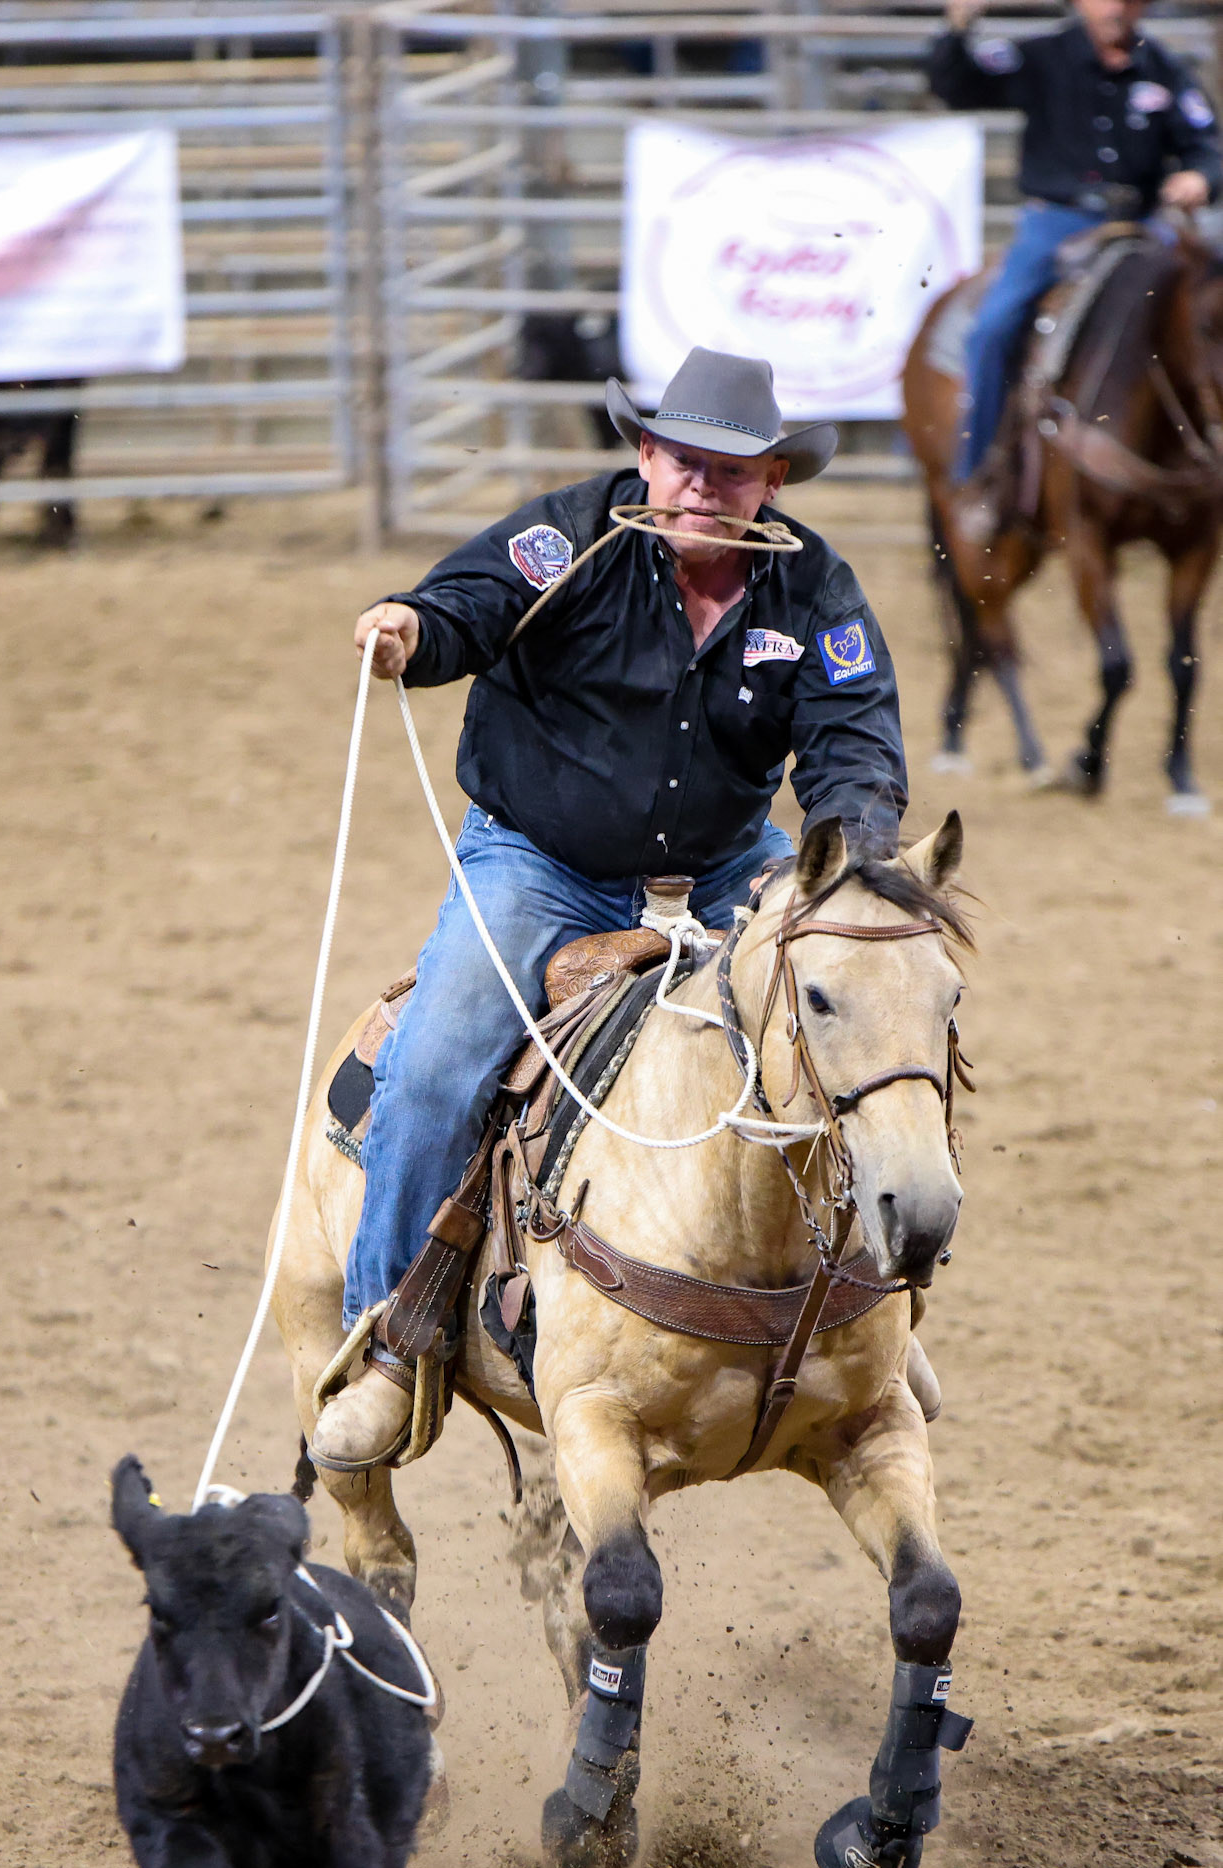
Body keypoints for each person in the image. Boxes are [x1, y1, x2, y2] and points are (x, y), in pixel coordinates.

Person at [313, 347, 909, 1473]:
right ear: (644, 456)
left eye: (731, 471)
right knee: (436, 1064)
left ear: (773, 479)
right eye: (683, 461)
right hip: (541, 861)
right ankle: (390, 1340)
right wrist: (411, 629)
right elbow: (470, 604)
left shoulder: (814, 589)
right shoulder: (570, 539)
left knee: (849, 1021)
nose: (702, 487)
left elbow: (854, 739)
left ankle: (872, 1314)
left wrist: (851, 857)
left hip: (727, 863)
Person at [928, 0, 1220, 525]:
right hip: (1056, 224)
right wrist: (959, 27)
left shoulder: (1165, 68)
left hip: (1143, 224)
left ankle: (1199, 460)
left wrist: (1200, 176)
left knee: (1200, 317)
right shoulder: (1040, 56)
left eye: (1129, 0)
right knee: (994, 327)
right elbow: (960, 86)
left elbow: (1206, 144)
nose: (1117, 9)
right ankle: (980, 473)